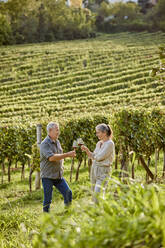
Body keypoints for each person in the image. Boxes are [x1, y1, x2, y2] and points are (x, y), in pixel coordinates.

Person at [40, 122, 76, 212]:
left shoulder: (57, 142)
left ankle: (68, 212)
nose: (58, 132)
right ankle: (46, 217)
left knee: (68, 193)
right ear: (50, 131)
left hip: (58, 175)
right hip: (47, 176)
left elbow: (59, 155)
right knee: (48, 199)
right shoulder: (45, 144)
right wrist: (67, 154)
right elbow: (51, 158)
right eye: (57, 130)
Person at [81, 123, 115, 203]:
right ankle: (97, 213)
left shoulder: (110, 144)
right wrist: (87, 151)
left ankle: (101, 211)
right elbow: (93, 156)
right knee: (94, 193)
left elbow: (99, 157)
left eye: (98, 132)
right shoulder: (99, 143)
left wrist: (94, 156)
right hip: (95, 169)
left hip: (103, 170)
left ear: (104, 133)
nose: (96, 135)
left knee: (98, 193)